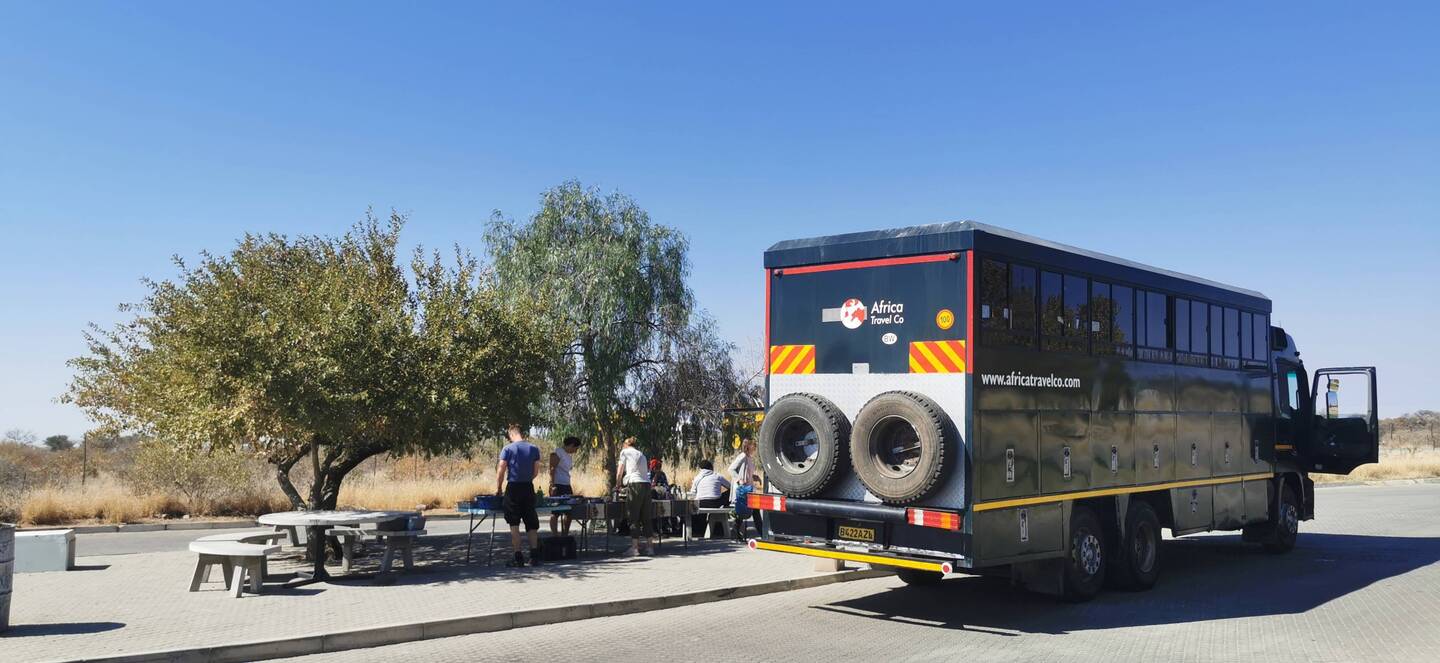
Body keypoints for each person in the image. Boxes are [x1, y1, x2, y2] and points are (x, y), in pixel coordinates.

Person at [496, 424, 543, 567]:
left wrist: (498, 488)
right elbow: (535, 472)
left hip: (513, 488)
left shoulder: (507, 449)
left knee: (514, 523)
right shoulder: (534, 449)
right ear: (521, 433)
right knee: (531, 523)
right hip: (528, 487)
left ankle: (518, 557)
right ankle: (534, 556)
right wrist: (527, 479)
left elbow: (501, 470)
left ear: (511, 435)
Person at [614, 436, 653, 556]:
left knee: (633, 516)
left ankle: (634, 548)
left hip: (635, 485)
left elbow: (620, 471)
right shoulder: (641, 454)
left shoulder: (625, 452)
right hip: (647, 485)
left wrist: (618, 484)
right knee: (646, 516)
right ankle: (650, 547)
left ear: (626, 444)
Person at [689, 459, 730, 537]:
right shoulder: (718, 476)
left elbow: (693, 493)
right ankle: (725, 508)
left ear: (700, 469)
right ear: (711, 468)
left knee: (698, 499)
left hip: (701, 503)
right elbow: (730, 487)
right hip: (715, 503)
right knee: (730, 493)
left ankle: (699, 530)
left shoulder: (697, 478)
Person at [549, 436, 581, 535]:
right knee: (555, 512)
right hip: (558, 485)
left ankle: (565, 534)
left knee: (569, 511)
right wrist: (552, 484)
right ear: (571, 445)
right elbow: (552, 468)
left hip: (567, 485)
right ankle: (555, 535)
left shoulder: (568, 456)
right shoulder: (559, 451)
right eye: (575, 448)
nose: (576, 451)